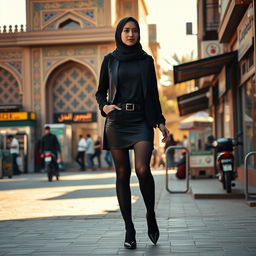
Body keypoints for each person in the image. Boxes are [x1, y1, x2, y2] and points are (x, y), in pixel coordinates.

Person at [95, 17, 169, 249]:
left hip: (141, 121)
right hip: (117, 121)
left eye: (134, 31)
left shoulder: (147, 61)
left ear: (138, 34)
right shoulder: (109, 60)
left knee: (142, 169)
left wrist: (161, 122)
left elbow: (153, 95)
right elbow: (100, 92)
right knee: (122, 174)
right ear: (119, 33)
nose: (130, 34)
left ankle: (150, 214)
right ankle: (129, 228)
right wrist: (104, 107)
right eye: (126, 30)